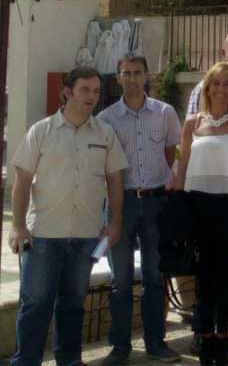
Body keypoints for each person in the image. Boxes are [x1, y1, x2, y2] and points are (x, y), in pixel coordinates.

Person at [10, 67, 128, 366]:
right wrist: (18, 225)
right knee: (35, 304)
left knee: (73, 304)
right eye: (85, 89)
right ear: (68, 92)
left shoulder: (105, 134)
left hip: (86, 236)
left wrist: (115, 222)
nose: (92, 96)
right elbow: (22, 180)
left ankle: (70, 361)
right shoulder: (41, 131)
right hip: (44, 236)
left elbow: (115, 179)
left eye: (96, 91)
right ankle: (26, 361)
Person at [98, 54, 182, 365]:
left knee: (154, 276)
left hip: (157, 203)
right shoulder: (106, 119)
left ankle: (156, 343)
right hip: (121, 204)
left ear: (148, 75)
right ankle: (120, 347)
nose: (132, 78)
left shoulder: (164, 113)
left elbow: (171, 153)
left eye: (137, 73)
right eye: (126, 73)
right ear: (118, 77)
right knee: (121, 280)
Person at [175, 61, 228, 366]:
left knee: (224, 275)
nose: (221, 89)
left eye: (227, 83)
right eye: (216, 83)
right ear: (207, 88)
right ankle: (204, 334)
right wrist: (179, 206)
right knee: (202, 275)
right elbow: (182, 166)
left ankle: (222, 338)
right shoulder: (193, 124)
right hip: (197, 205)